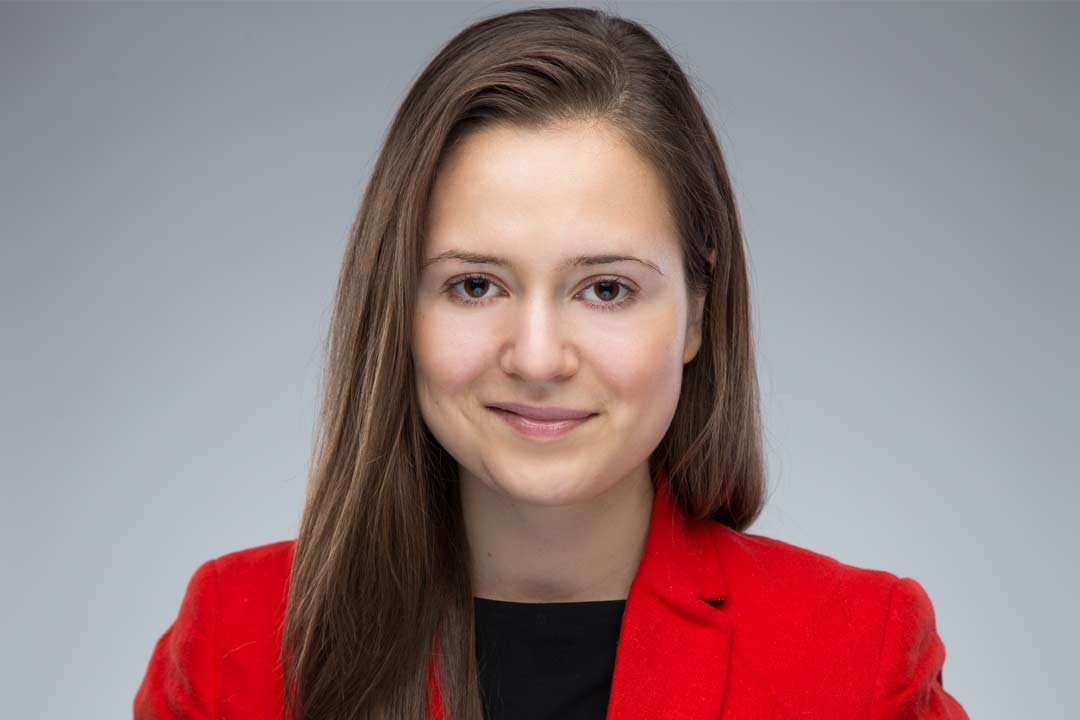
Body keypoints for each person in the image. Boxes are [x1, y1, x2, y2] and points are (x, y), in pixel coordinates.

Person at [133, 6, 969, 719]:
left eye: (605, 289)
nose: (537, 357)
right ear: (400, 308)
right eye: (474, 284)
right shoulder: (235, 643)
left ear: (697, 312)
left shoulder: (858, 655)